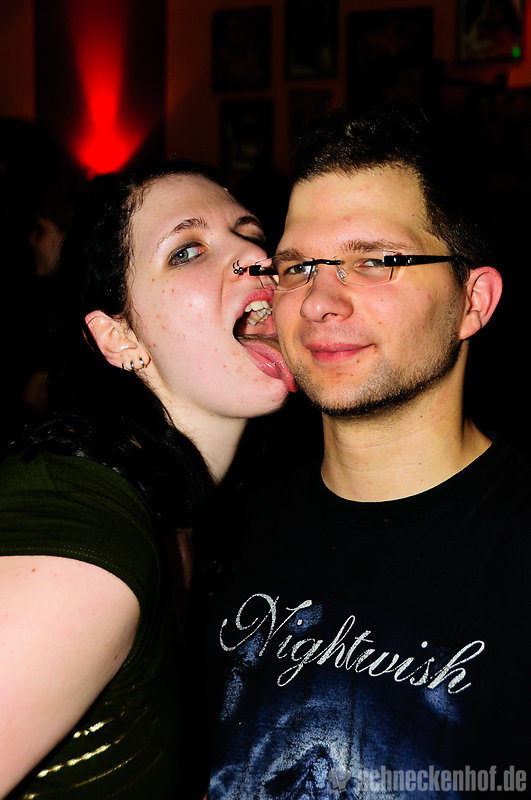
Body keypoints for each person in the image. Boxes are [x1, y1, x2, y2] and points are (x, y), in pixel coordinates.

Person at [205, 105, 530, 798]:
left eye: (376, 262)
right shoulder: (220, 535)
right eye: (297, 266)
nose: (319, 301)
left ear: (473, 301)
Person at [0, 159, 296, 799]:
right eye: (187, 250)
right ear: (118, 336)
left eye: (252, 234)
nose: (255, 256)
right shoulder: (82, 518)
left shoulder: (201, 517)